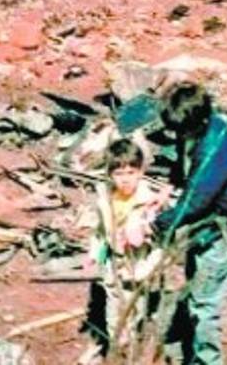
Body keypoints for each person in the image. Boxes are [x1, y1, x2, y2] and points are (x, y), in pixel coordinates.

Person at [153, 82, 227, 365]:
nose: (178, 135)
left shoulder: (214, 150)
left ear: (197, 122)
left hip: (219, 226)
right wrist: (171, 184)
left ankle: (208, 359)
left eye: (181, 130)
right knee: (195, 278)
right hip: (205, 219)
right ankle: (189, 338)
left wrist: (159, 223)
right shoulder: (196, 129)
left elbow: (195, 201)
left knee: (205, 304)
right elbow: (184, 164)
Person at [79, 138, 169, 362]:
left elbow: (162, 242)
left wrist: (146, 267)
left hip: (138, 266)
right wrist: (95, 255)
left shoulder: (150, 201)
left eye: (131, 172)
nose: (125, 179)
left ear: (141, 172)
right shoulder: (106, 199)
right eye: (119, 174)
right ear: (110, 175)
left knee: (134, 313)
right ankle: (118, 350)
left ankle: (131, 351)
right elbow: (101, 233)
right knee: (114, 315)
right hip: (114, 266)